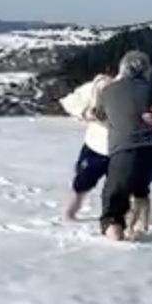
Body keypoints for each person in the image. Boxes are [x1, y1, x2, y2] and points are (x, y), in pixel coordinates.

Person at [94, 50, 152, 241]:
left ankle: (118, 234)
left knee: (113, 202)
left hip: (124, 153)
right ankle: (143, 223)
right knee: (139, 185)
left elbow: (99, 115)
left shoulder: (107, 90)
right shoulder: (149, 88)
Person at [58, 71, 114, 220]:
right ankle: (69, 214)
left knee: (124, 187)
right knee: (82, 182)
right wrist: (86, 113)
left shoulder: (130, 90)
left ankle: (134, 217)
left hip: (122, 149)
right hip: (96, 146)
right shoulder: (93, 88)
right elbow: (70, 101)